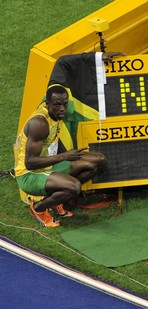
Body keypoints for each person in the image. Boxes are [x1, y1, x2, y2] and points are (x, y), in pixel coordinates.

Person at [14, 85, 107, 227]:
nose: (62, 108)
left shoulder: (57, 113)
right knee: (74, 187)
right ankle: (38, 207)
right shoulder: (39, 124)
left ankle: (55, 201)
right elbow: (30, 163)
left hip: (48, 164)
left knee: (97, 161)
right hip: (29, 174)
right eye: (57, 105)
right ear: (47, 104)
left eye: (65, 103)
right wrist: (64, 156)